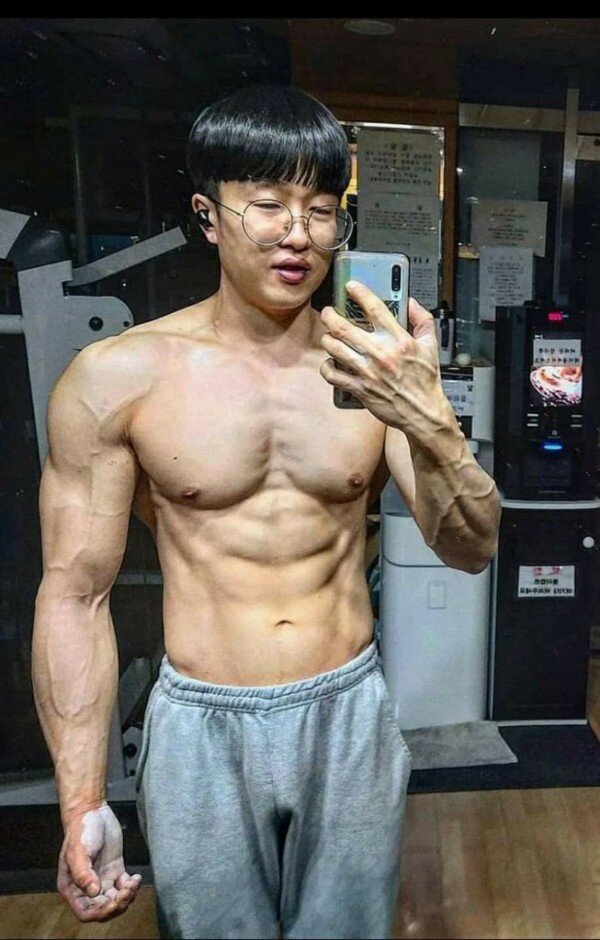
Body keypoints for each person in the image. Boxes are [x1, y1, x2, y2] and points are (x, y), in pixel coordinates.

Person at [32, 84, 501, 939]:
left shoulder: (372, 373)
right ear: (208, 217)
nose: (299, 234)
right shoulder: (119, 376)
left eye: (321, 210)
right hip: (201, 722)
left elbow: (472, 547)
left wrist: (430, 417)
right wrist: (83, 798)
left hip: (348, 710)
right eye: (269, 205)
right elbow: (75, 595)